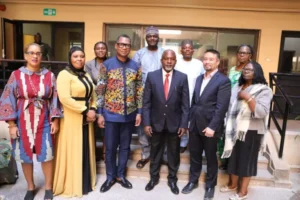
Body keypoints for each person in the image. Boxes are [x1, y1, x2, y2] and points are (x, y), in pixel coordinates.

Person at [0, 43, 62, 200]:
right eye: (31, 53)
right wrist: (12, 125)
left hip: (44, 120)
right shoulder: (16, 75)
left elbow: (55, 97)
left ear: (42, 56)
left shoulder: (49, 76)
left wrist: (55, 120)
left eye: (38, 53)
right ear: (26, 55)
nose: (35, 56)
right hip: (22, 121)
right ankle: (30, 187)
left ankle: (48, 187)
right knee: (25, 155)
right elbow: (8, 98)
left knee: (47, 154)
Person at [182, 49, 231, 200]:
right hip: (195, 124)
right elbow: (194, 102)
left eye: (211, 59)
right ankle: (193, 181)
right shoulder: (198, 78)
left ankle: (210, 185)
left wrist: (212, 127)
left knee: (210, 158)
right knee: (195, 156)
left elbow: (221, 107)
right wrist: (189, 120)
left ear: (217, 62)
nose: (207, 62)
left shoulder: (223, 81)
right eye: (205, 59)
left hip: (210, 126)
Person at [97, 34, 143, 193]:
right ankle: (110, 177)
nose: (124, 47)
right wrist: (100, 113)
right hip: (110, 114)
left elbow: (139, 91)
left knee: (125, 147)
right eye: (121, 44)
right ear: (116, 46)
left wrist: (139, 112)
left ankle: (120, 175)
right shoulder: (106, 65)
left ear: (130, 48)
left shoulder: (136, 66)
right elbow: (100, 90)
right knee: (110, 147)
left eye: (127, 45)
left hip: (129, 115)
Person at [220, 61, 273, 200]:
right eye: (244, 69)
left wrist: (247, 97)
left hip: (251, 131)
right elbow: (229, 106)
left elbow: (261, 112)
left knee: (246, 161)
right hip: (234, 129)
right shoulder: (237, 86)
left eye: (250, 69)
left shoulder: (264, 90)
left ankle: (243, 192)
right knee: (233, 159)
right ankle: (232, 185)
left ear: (257, 72)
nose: (246, 71)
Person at [143, 49, 189, 195]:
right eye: (166, 58)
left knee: (174, 153)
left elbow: (185, 104)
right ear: (162, 60)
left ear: (175, 61)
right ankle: (153, 178)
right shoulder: (152, 76)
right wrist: (147, 123)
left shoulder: (182, 77)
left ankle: (172, 180)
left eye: (172, 59)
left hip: (174, 124)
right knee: (155, 152)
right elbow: (146, 102)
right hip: (156, 122)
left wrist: (183, 124)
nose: (169, 61)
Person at [53, 47, 97, 197]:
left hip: (87, 116)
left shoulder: (86, 75)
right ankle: (71, 184)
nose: (79, 59)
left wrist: (94, 109)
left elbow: (94, 95)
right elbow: (64, 98)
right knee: (73, 149)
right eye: (76, 56)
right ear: (70, 58)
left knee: (84, 147)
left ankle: (85, 182)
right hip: (72, 117)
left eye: (82, 56)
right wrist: (85, 111)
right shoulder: (64, 75)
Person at [132, 26, 165, 169]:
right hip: (143, 97)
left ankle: (159, 156)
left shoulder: (164, 53)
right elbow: (134, 75)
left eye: (155, 36)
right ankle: (146, 155)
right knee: (143, 127)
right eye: (150, 36)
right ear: (146, 38)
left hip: (162, 97)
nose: (152, 38)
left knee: (160, 126)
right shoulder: (139, 54)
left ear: (158, 38)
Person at [219, 44, 254, 170]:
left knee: (236, 135)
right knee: (226, 133)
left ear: (250, 55)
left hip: (242, 108)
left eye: (245, 53)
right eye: (240, 52)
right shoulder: (233, 69)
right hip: (229, 106)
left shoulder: (252, 69)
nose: (242, 55)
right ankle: (225, 161)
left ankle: (233, 164)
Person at [175, 39, 205, 153]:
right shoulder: (176, 62)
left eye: (189, 48)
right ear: (181, 50)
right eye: (184, 48)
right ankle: (182, 143)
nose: (187, 50)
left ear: (193, 50)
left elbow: (203, 79)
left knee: (191, 122)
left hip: (194, 97)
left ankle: (191, 143)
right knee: (180, 121)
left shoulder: (199, 64)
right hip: (178, 97)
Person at [85, 41, 108, 162]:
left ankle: (105, 152)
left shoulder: (111, 63)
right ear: (94, 51)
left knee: (106, 127)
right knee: (92, 127)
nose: (100, 50)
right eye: (98, 48)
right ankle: (92, 153)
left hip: (108, 100)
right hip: (93, 99)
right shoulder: (88, 65)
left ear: (106, 50)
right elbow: (88, 81)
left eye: (103, 48)